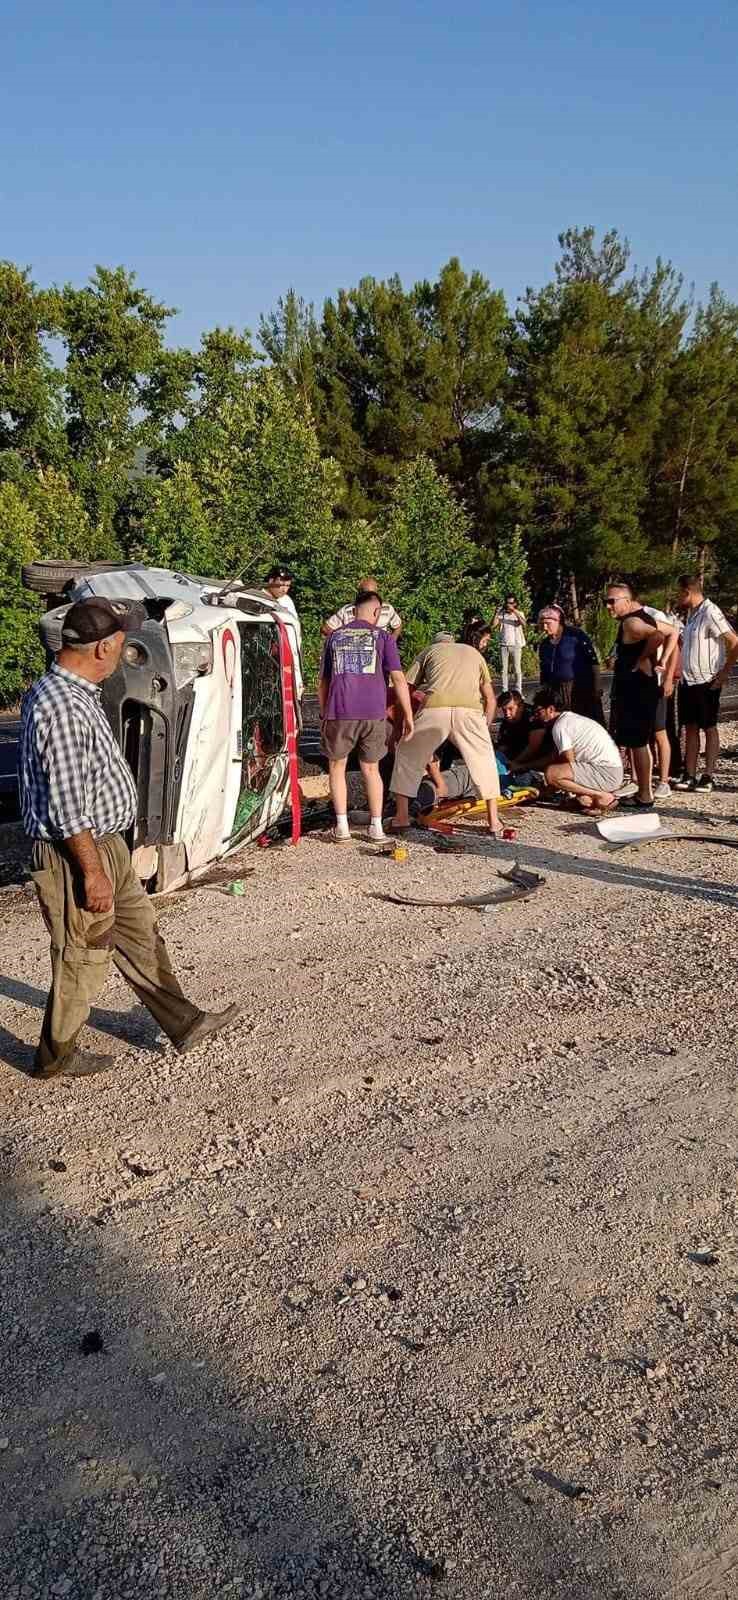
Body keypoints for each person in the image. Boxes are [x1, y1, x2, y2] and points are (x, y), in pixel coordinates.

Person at [18, 599, 242, 1080]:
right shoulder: (61, 706)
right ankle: (55, 1056)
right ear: (102, 647)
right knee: (84, 950)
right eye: (121, 644)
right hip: (76, 852)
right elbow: (65, 803)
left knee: (139, 933)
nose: (124, 652)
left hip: (103, 846)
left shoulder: (77, 693)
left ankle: (184, 1023)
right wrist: (92, 872)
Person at [390, 625, 503, 837]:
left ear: (436, 643)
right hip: (470, 711)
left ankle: (401, 818)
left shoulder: (429, 651)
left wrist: (401, 727)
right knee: (484, 761)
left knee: (407, 756)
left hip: (435, 708)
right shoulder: (474, 653)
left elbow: (404, 688)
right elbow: (491, 699)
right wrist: (483, 727)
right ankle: (494, 822)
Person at [318, 589, 413, 842]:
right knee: (372, 769)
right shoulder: (384, 637)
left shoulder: (334, 638)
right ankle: (376, 827)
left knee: (337, 766)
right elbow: (399, 680)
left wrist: (323, 711)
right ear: (376, 611)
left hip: (339, 711)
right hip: (373, 713)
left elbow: (324, 682)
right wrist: (409, 715)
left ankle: (342, 827)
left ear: (352, 610)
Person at [605, 581, 671, 809]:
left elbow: (658, 637)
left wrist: (643, 658)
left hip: (638, 690)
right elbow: (672, 631)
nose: (608, 606)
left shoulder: (632, 622)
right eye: (606, 601)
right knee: (638, 742)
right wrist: (659, 662)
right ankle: (644, 791)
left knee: (639, 742)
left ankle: (645, 795)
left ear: (626, 600)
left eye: (612, 601)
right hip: (639, 688)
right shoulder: (639, 618)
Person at [672, 573, 738, 792]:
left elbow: (734, 640)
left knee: (709, 726)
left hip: (706, 680)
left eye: (678, 593)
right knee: (690, 727)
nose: (676, 597)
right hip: (688, 681)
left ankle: (708, 775)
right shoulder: (691, 615)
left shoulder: (710, 611)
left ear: (687, 591)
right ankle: (690, 773)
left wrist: (723, 674)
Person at [532, 689, 624, 810]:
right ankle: (589, 798)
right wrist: (523, 766)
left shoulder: (560, 727)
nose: (536, 716)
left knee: (551, 773)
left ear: (550, 709)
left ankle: (602, 796)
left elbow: (569, 761)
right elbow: (554, 757)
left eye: (538, 712)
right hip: (611, 771)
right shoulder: (570, 719)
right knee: (556, 774)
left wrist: (553, 785)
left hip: (607, 774)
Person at [538, 605, 604, 721]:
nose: (544, 627)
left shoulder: (575, 635)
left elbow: (593, 661)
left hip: (580, 687)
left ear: (559, 621)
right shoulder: (544, 644)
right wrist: (544, 693)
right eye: (542, 623)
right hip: (556, 691)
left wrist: (597, 687)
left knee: (586, 722)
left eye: (548, 623)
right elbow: (544, 670)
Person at [262, 565, 304, 700]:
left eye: (287, 586)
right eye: (281, 585)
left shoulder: (287, 601)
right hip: (270, 658)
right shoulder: (259, 598)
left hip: (291, 653)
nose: (284, 589)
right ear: (271, 581)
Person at [322, 578, 402, 640]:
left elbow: (398, 625)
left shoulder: (387, 609)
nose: (369, 598)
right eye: (366, 594)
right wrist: (343, 640)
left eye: (372, 594)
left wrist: (391, 641)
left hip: (380, 651)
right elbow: (326, 628)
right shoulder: (347, 610)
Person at [494, 594, 526, 693]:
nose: (509, 605)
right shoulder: (502, 613)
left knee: (517, 669)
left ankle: (518, 691)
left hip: (516, 644)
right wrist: (496, 613)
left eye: (511, 603)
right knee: (504, 670)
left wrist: (514, 611)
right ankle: (504, 691)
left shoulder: (519, 613)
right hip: (504, 644)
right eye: (507, 603)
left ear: (515, 603)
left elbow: (524, 624)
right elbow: (493, 625)